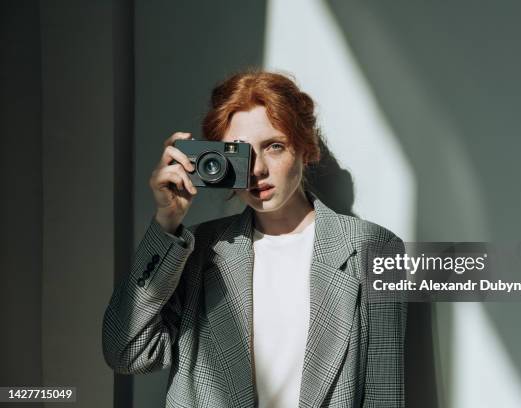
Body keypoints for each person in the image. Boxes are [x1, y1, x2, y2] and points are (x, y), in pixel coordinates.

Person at [102, 70, 407, 407]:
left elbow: (384, 393)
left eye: (274, 147)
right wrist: (166, 223)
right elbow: (127, 352)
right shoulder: (200, 251)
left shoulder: (374, 248)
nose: (257, 168)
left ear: (306, 150)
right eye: (241, 154)